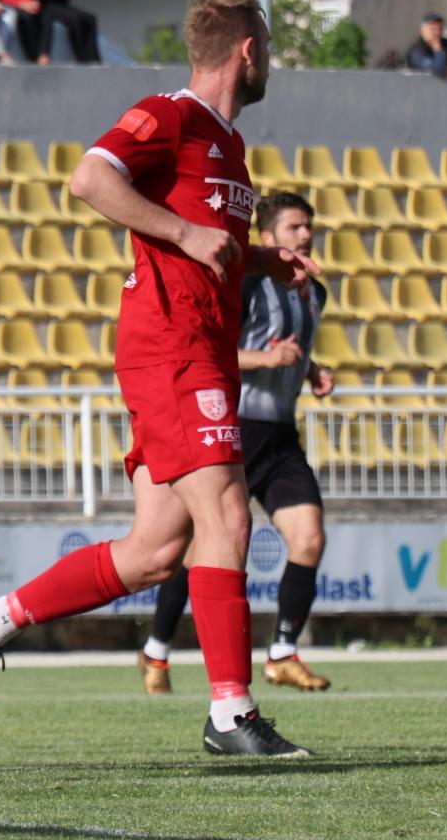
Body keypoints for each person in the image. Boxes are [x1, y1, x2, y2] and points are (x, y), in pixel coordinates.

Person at [0, 0, 319, 759]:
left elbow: (208, 248)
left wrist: (261, 257)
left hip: (200, 349)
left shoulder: (228, 146)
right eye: (270, 49)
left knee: (155, 549)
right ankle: (230, 713)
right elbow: (90, 179)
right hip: (172, 349)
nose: (271, 62)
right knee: (228, 519)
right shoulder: (172, 113)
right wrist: (185, 229)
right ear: (248, 51)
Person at [140, 191, 336, 697]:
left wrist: (311, 370)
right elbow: (215, 347)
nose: (305, 235)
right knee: (192, 548)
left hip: (280, 434)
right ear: (267, 239)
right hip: (232, 426)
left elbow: (289, 346)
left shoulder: (315, 291)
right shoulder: (247, 283)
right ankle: (157, 651)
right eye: (295, 228)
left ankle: (282, 654)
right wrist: (266, 362)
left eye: (308, 226)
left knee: (309, 538)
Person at [405, 12, 447, 77]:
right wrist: (438, 49)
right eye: (433, 29)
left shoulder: (446, 44)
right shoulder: (417, 50)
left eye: (440, 28)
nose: (437, 32)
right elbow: (437, 72)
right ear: (423, 29)